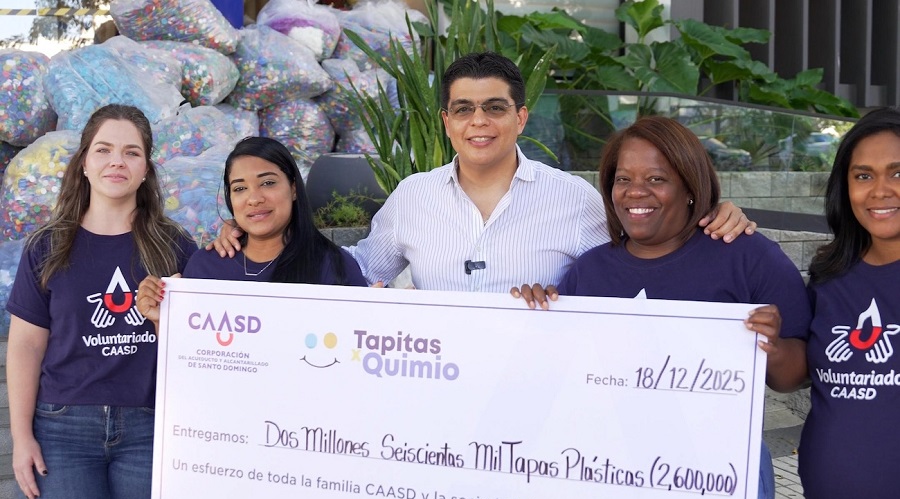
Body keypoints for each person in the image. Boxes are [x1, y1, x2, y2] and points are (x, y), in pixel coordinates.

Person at [211, 52, 755, 292]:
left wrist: (710, 218)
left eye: (495, 107)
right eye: (464, 109)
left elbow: (642, 256)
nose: (479, 122)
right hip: (439, 394)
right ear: (446, 122)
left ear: (520, 117)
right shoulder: (413, 196)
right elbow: (355, 269)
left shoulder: (575, 199)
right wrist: (261, 230)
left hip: (540, 399)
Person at [512, 116, 811, 499]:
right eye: (623, 179)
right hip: (610, 472)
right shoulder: (589, 271)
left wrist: (773, 347)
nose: (636, 191)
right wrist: (535, 317)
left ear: (690, 187)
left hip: (720, 475)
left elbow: (795, 379)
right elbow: (555, 379)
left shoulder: (748, 257)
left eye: (656, 179)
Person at [5, 104, 198, 499]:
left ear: (146, 169)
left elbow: (199, 343)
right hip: (62, 430)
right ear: (84, 164)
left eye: (131, 152)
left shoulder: (176, 246)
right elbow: (25, 346)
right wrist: (21, 438)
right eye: (103, 149)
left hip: (152, 427)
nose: (117, 161)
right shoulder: (47, 246)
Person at [137, 137, 366, 324]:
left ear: (294, 188)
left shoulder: (335, 267)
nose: (254, 198)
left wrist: (373, 317)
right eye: (240, 188)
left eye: (268, 183)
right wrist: (162, 320)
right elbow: (186, 357)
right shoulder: (205, 267)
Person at [798, 107, 900, 499]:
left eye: (897, 173)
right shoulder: (828, 277)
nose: (880, 191)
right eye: (863, 176)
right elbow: (794, 375)